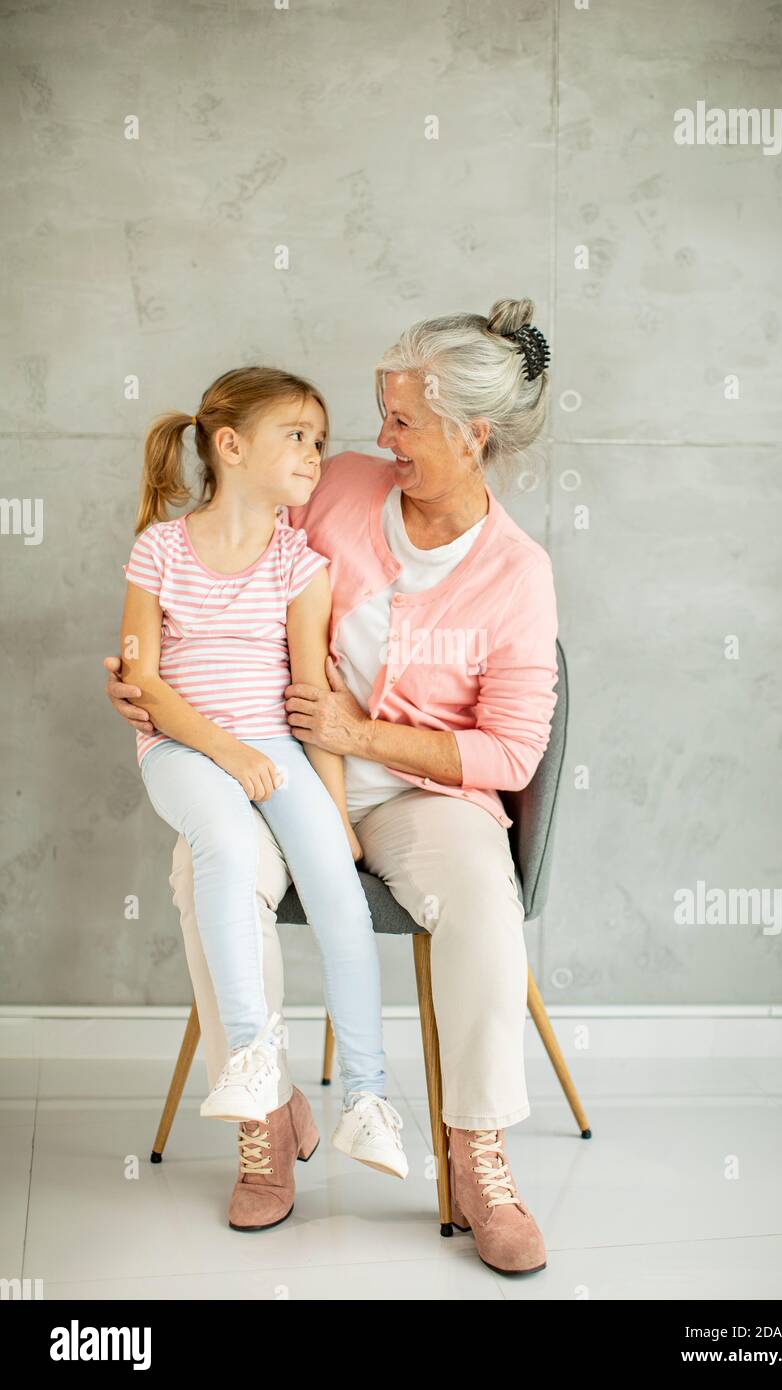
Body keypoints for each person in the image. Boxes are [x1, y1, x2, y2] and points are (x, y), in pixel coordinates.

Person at [106, 298, 558, 1274]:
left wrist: (359, 733)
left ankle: (475, 1151)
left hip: (413, 794)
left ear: (470, 435)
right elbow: (224, 570)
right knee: (202, 867)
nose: (376, 437)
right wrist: (147, 670)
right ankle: (265, 1115)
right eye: (379, 412)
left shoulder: (516, 572)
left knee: (482, 887)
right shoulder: (338, 487)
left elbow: (510, 753)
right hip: (280, 769)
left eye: (401, 421)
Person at [117, 365, 407, 1191]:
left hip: (275, 749)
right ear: (230, 446)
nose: (315, 453)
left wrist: (335, 808)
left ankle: (366, 1096)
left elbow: (309, 693)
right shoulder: (159, 551)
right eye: (297, 436)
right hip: (180, 750)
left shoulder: (300, 563)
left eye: (320, 439)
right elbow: (144, 682)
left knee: (338, 892)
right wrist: (227, 751)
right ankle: (251, 1057)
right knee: (223, 846)